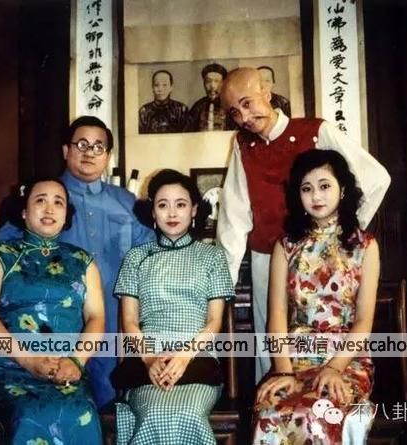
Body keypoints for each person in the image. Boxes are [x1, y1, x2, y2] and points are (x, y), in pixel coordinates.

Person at [0, 116, 154, 409]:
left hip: (112, 315)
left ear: (108, 156)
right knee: (61, 396)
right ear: (65, 150)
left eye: (98, 146)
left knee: (111, 401)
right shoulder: (47, 195)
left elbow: (152, 250)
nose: (89, 152)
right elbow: (4, 246)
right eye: (81, 144)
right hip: (56, 320)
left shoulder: (126, 202)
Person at [216, 67, 390, 382]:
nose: (244, 118)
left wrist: (341, 235)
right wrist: (222, 285)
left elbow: (376, 178)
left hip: (326, 261)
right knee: (271, 354)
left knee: (332, 342)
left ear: (267, 92)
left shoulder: (316, 130)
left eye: (247, 103)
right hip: (267, 258)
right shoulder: (242, 145)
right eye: (234, 113)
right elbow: (234, 217)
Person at [252, 149, 380, 444]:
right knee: (271, 411)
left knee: (319, 412)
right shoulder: (286, 246)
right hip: (294, 359)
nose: (316, 196)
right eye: (307, 188)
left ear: (342, 190)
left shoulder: (365, 246)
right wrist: (283, 372)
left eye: (324, 186)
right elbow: (277, 315)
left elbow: (363, 321)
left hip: (346, 360)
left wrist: (335, 368)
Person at [0, 178, 104, 444]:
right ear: (24, 211)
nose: (49, 208)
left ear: (66, 215)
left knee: (82, 412)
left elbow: (96, 317)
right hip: (8, 366)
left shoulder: (83, 261)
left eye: (58, 202)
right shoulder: (0, 255)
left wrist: (76, 361)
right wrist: (29, 361)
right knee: (31, 413)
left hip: (65, 367)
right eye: (40, 200)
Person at [112, 169, 235, 445]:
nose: (171, 213)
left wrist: (184, 356)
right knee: (155, 411)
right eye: (162, 205)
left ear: (194, 210)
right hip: (147, 359)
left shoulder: (213, 256)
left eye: (180, 204)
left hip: (198, 358)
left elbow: (214, 322)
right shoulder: (135, 258)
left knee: (188, 411)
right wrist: (149, 359)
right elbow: (129, 322)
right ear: (152, 212)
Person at [185, 63, 235, 132]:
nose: (212, 86)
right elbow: (188, 131)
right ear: (204, 83)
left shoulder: (230, 106)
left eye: (216, 81)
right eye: (208, 81)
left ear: (223, 83)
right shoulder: (198, 106)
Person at [139, 69, 188, 134]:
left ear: (171, 87)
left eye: (164, 85)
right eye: (156, 85)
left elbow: (185, 137)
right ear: (152, 88)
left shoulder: (181, 109)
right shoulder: (144, 111)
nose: (160, 89)